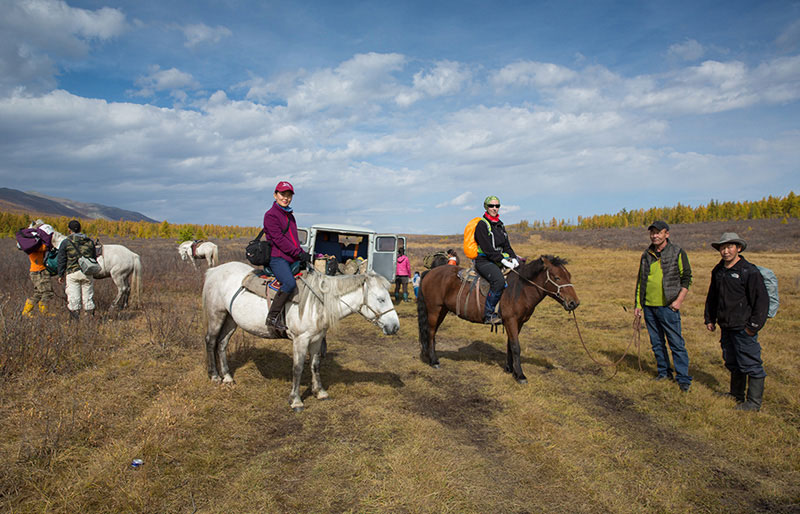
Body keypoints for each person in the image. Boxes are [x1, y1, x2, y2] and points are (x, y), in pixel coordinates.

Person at [704, 233, 769, 411]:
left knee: (751, 363)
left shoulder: (749, 271)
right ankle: (736, 394)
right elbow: (713, 297)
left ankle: (754, 403)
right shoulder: (718, 271)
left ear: (738, 248)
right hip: (726, 325)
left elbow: (761, 301)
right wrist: (709, 318)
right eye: (722, 248)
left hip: (743, 326)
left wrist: (753, 327)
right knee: (732, 360)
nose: (725, 251)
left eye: (729, 247)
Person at [634, 221, 693, 392]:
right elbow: (641, 281)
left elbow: (687, 278)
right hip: (649, 307)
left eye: (659, 232)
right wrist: (638, 304)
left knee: (676, 343)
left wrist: (678, 301)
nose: (655, 236)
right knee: (657, 342)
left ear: (667, 234)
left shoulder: (677, 252)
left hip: (669, 306)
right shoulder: (646, 254)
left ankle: (683, 379)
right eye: (652, 233)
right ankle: (663, 373)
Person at [263, 181, 312, 331]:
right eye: (282, 194)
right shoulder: (271, 215)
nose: (286, 198)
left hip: (292, 257)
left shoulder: (289, 215)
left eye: (289, 195)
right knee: (290, 283)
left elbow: (293, 239)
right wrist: (297, 253)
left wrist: (302, 254)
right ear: (275, 195)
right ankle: (272, 318)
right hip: (278, 258)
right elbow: (279, 240)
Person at [474, 195, 519, 324]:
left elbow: (507, 246)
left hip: (497, 260)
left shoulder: (500, 225)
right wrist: (503, 260)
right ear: (486, 207)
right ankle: (489, 314)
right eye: (491, 206)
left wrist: (514, 258)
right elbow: (487, 249)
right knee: (498, 281)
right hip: (484, 261)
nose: (494, 208)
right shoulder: (482, 225)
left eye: (497, 206)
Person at [57, 220, 97, 320]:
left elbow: (61, 259)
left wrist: (60, 274)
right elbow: (94, 257)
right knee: (88, 298)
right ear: (80, 229)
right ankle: (89, 319)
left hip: (72, 273)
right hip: (87, 272)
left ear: (69, 230)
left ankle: (75, 323)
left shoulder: (66, 242)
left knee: (74, 298)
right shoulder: (89, 241)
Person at [22, 219, 55, 317]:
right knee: (47, 292)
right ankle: (44, 312)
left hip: (36, 271)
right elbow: (44, 248)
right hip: (39, 271)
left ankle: (26, 312)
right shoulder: (35, 245)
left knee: (38, 293)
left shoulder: (31, 244)